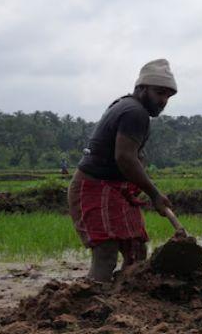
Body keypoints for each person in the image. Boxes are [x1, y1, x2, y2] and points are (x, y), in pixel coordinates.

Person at [69, 59, 184, 282]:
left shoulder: (126, 106)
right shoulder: (134, 112)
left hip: (116, 189)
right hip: (96, 188)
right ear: (142, 88)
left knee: (136, 250)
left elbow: (131, 155)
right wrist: (155, 194)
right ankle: (92, 299)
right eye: (159, 93)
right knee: (106, 253)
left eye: (168, 96)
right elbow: (125, 157)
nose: (163, 101)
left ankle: (126, 299)